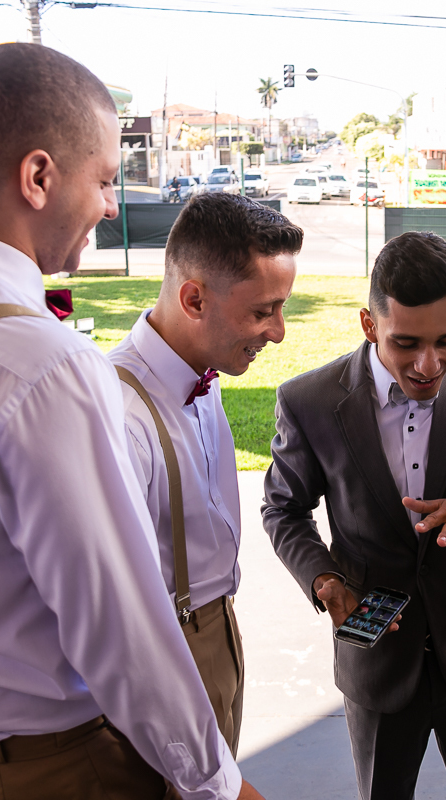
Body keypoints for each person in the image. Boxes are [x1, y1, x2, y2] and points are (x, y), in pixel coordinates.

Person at [0, 44, 260, 800]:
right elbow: (120, 628)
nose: (107, 203)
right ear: (38, 178)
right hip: (63, 767)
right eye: (102, 178)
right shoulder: (44, 365)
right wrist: (219, 786)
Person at [261, 231, 446, 800]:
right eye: (406, 344)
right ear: (369, 326)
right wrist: (324, 580)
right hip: (377, 658)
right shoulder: (310, 401)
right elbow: (284, 509)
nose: (429, 365)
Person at [108, 193, 300, 758]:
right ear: (194, 298)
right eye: (264, 311)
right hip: (164, 657)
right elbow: (118, 615)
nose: (280, 331)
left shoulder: (203, 373)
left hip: (218, 631)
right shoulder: (120, 417)